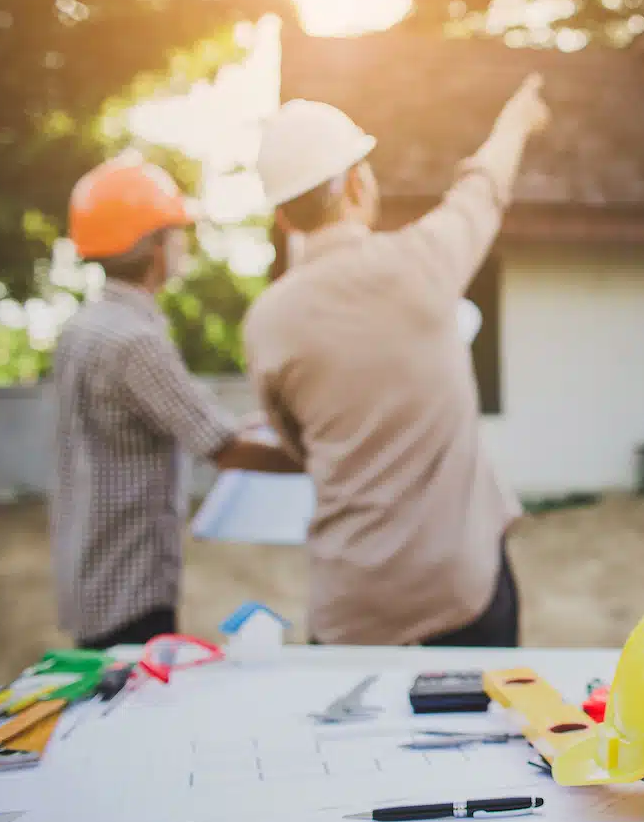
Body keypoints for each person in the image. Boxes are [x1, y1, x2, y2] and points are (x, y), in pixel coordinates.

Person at [242, 74, 550, 648]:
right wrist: (515, 122)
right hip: (458, 590)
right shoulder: (422, 264)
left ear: (284, 218)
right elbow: (483, 187)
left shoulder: (267, 323)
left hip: (349, 607)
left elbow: (298, 445)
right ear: (358, 183)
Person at [51, 156, 304, 652]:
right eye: (175, 233)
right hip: (129, 584)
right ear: (152, 246)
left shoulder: (84, 328)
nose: (183, 244)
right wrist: (324, 463)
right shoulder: (135, 342)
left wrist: (260, 425)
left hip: (91, 573)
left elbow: (179, 419)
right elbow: (223, 448)